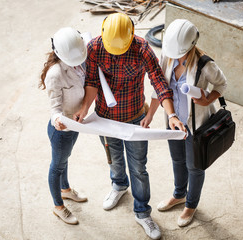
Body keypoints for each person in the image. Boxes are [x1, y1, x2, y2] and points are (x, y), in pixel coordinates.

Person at [73, 13, 185, 239]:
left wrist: (171, 114)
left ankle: (142, 212)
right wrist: (85, 108)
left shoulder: (142, 49)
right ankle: (119, 185)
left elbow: (158, 81)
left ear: (132, 36)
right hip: (105, 118)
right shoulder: (95, 48)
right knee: (113, 157)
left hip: (135, 117)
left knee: (138, 167)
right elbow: (93, 82)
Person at [142, 19, 227, 227]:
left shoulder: (205, 64)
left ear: (191, 45)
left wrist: (208, 98)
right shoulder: (167, 57)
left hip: (195, 125)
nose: (174, 55)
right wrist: (150, 115)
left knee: (195, 166)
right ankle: (179, 194)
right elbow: (159, 87)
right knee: (177, 159)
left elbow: (221, 84)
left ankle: (191, 204)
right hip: (173, 121)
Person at [40, 27, 88, 225]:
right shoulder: (55, 74)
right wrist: (59, 120)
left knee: (64, 160)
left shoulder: (78, 53)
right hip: (62, 128)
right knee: (57, 166)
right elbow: (55, 108)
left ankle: (66, 190)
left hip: (75, 124)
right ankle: (58, 206)